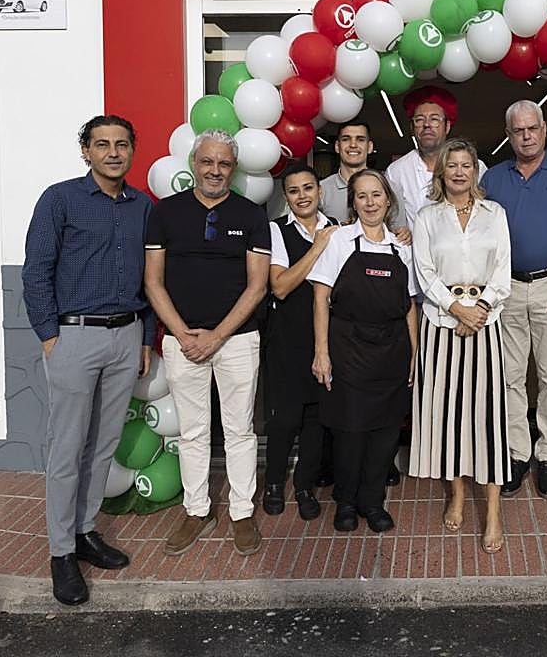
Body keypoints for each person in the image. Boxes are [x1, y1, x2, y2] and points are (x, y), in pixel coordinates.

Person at [22, 114, 154, 606]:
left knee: (103, 444)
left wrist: (146, 337)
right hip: (74, 337)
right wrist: (49, 335)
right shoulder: (59, 199)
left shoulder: (143, 206)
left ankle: (84, 531)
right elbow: (36, 270)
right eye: (102, 144)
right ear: (86, 150)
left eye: (121, 144)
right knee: (67, 447)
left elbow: (151, 277)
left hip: (127, 335)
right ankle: (60, 553)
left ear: (132, 149)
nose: (113, 153)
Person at [143, 129, 271, 558]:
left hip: (237, 341)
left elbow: (257, 286)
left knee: (240, 431)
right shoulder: (165, 213)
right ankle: (196, 510)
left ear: (233, 169)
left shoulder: (251, 215)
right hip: (183, 341)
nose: (215, 170)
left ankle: (241, 512)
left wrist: (217, 336)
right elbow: (153, 281)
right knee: (193, 432)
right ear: (193, 164)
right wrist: (182, 333)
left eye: (224, 163)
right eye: (207, 162)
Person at [410, 138, 512, 553]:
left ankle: (493, 511)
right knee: (450, 415)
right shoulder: (427, 217)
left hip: (485, 323)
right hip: (442, 323)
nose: (458, 172)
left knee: (487, 417)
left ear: (475, 171)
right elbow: (424, 270)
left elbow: (503, 267)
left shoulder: (495, 213)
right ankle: (455, 493)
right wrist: (456, 309)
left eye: (466, 165)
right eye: (451, 165)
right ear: (442, 172)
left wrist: (480, 309)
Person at [481, 99, 547, 498]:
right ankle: (518, 453)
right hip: (506, 288)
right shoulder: (493, 178)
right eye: (518, 131)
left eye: (532, 129)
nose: (526, 137)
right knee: (510, 377)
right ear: (509, 135)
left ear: (544, 131)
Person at [309, 170, 419, 533]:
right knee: (350, 432)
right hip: (349, 349)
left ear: (388, 201)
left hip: (392, 350)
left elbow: (410, 305)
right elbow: (321, 297)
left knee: (385, 434)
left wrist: (414, 354)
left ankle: (373, 502)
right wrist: (321, 352)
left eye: (376, 195)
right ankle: (346, 501)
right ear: (353, 203)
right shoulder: (339, 241)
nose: (370, 203)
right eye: (362, 196)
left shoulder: (402, 247)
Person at [262, 162, 339, 521]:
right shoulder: (276, 230)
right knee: (285, 419)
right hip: (288, 337)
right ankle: (274, 483)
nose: (302, 196)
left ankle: (305, 485)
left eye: (308, 188)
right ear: (286, 197)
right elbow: (280, 286)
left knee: (317, 420)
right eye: (294, 191)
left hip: (327, 337)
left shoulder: (338, 228)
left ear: (319, 191)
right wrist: (317, 248)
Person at [386, 86, 487, 232]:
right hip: (416, 246)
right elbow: (393, 221)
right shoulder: (397, 171)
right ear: (412, 128)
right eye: (419, 120)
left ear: (447, 126)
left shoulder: (474, 167)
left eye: (434, 119)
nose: (427, 125)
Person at [319, 119, 374, 223]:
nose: (353, 145)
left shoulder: (388, 188)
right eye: (346, 139)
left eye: (360, 139)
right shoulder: (321, 190)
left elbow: (398, 231)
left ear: (370, 147)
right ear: (337, 146)